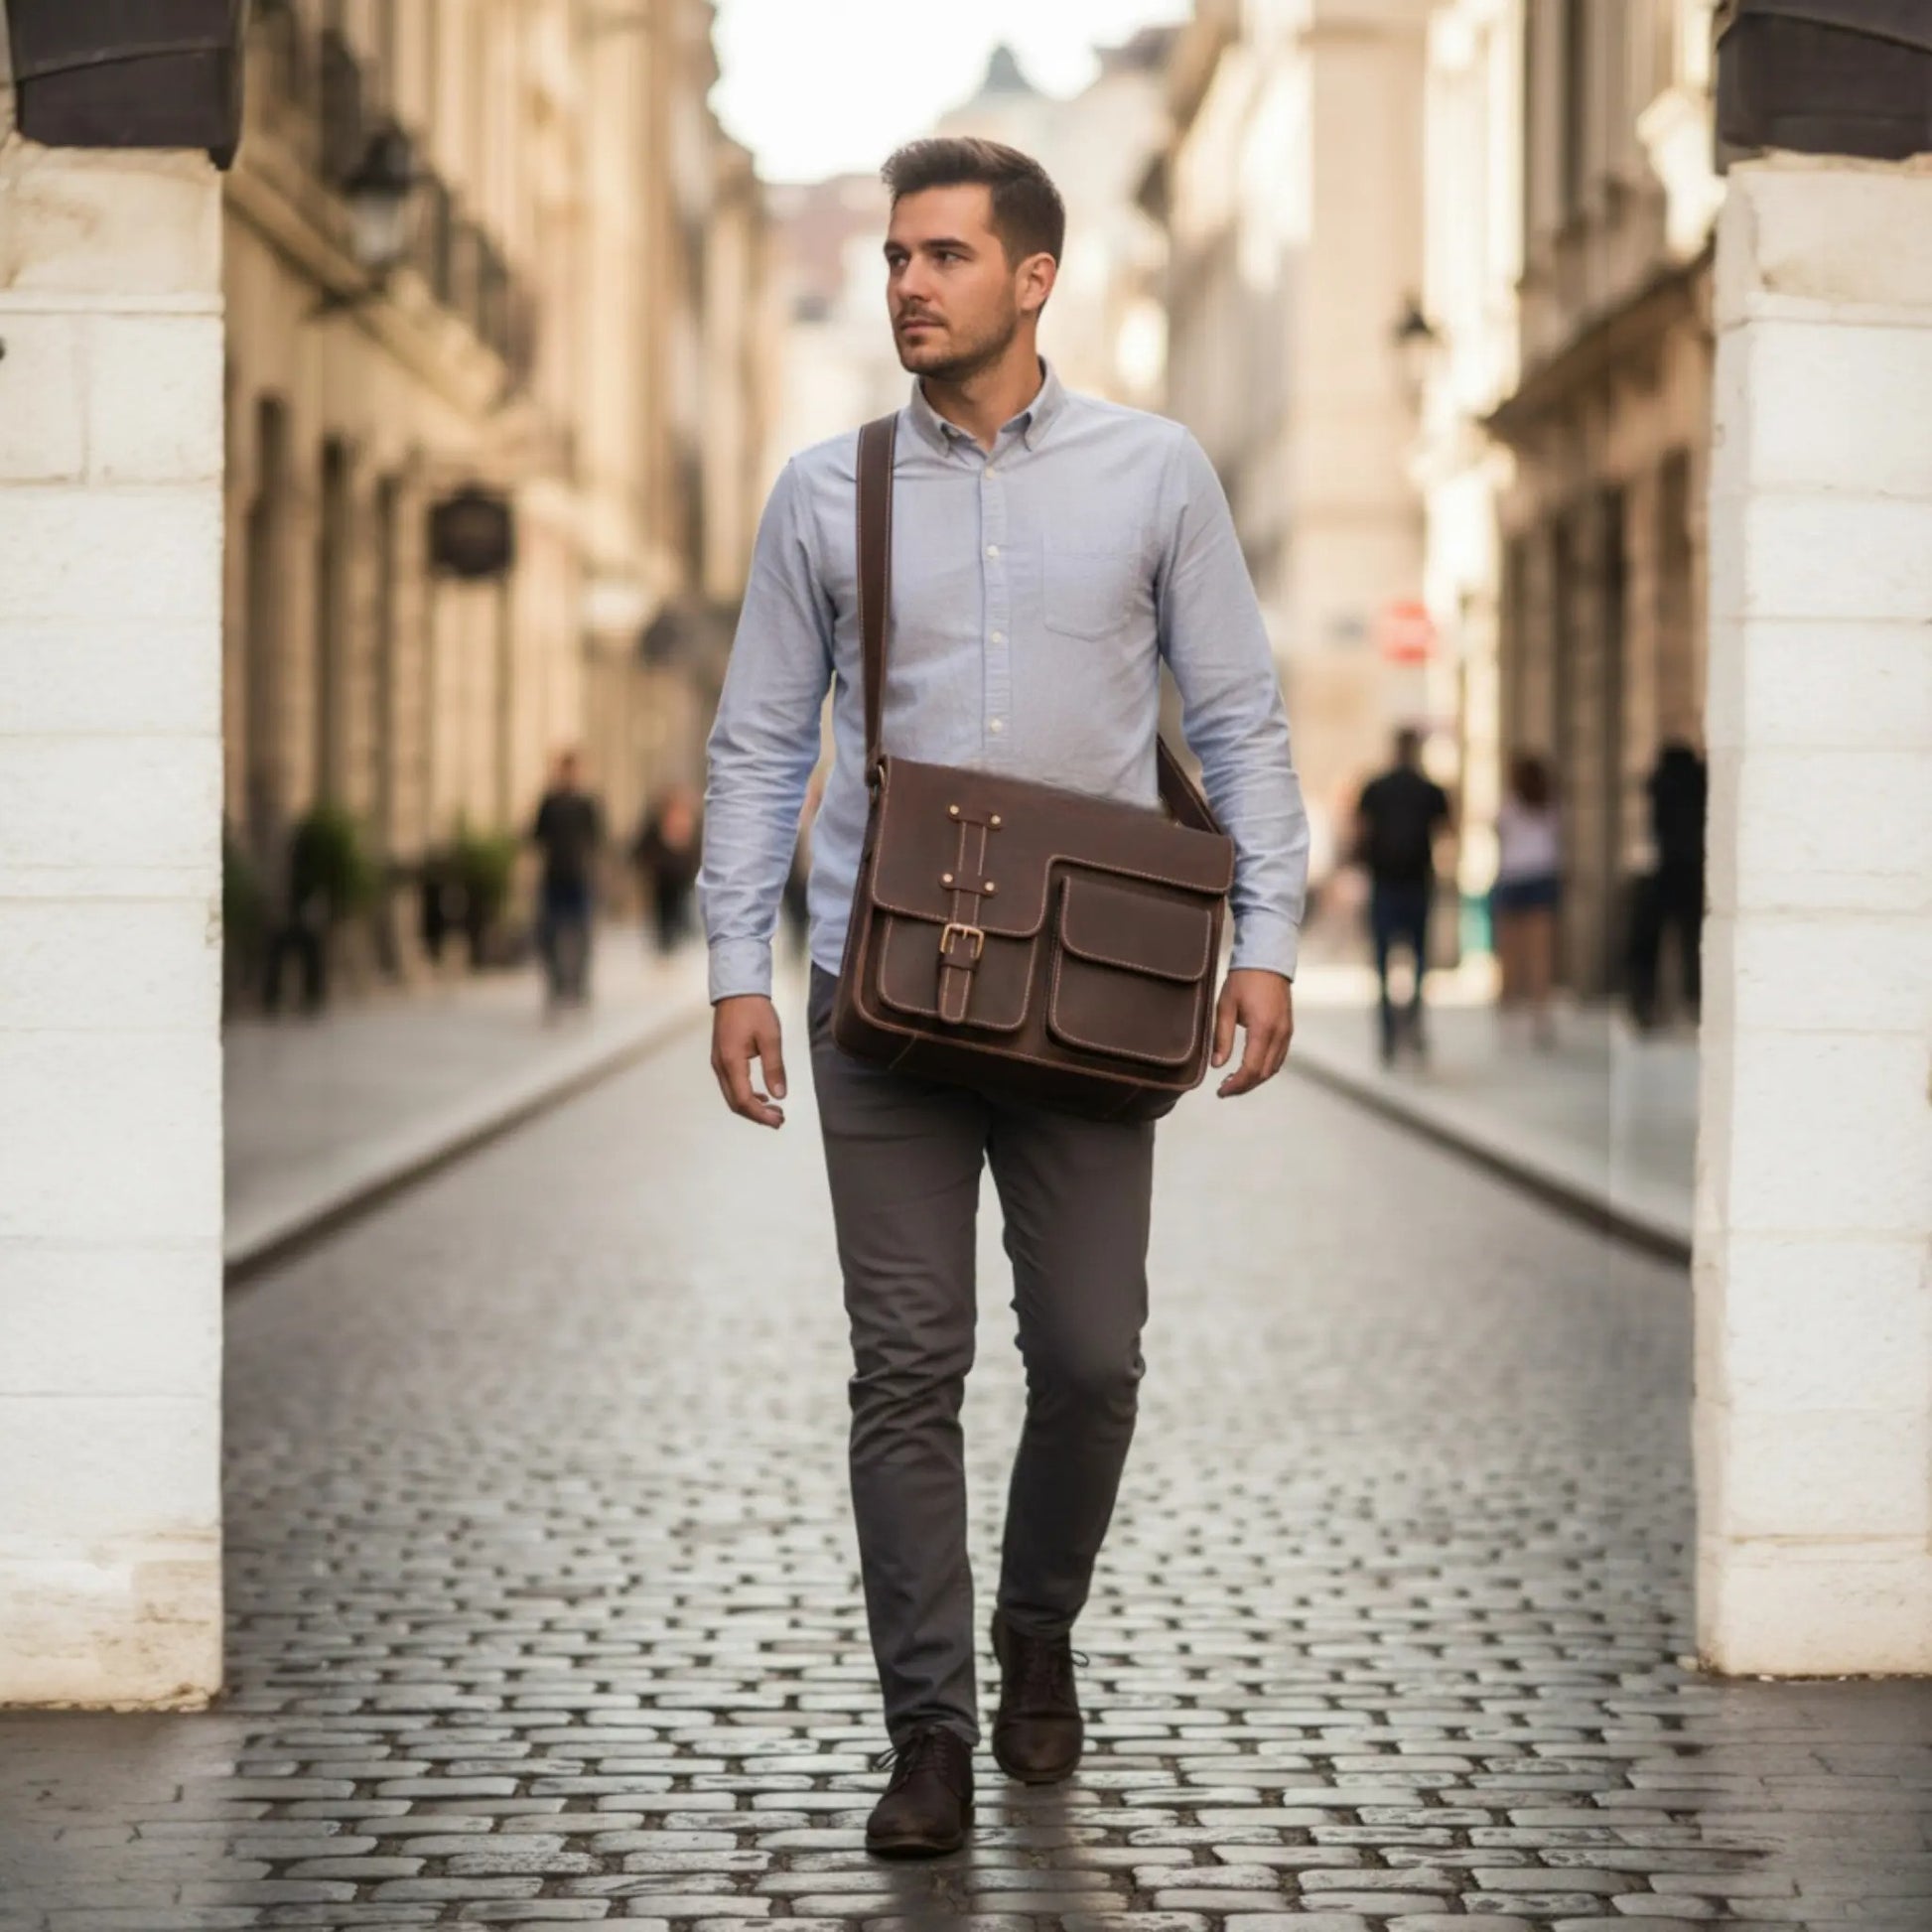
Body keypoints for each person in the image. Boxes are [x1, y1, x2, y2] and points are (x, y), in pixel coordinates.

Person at [700, 138, 1310, 1859]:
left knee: (1093, 1359)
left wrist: (1265, 936)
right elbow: (758, 743)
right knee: (906, 1369)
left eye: (944, 256)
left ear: (1035, 278)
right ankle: (930, 1733)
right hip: (874, 994)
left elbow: (1237, 716)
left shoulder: (1154, 472)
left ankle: (1037, 1621)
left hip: (1090, 999)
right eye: (896, 255)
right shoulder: (824, 493)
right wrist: (736, 967)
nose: (907, 282)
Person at [1353, 728, 1452, 1063]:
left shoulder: (1376, 788)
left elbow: (1359, 832)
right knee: (1418, 962)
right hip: (1416, 883)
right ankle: (1412, 1026)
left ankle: (1389, 1034)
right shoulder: (1430, 791)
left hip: (1387, 883)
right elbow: (1447, 833)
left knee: (1384, 962)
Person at [1629, 740, 1707, 1030]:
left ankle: (1647, 1003)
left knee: (1648, 942)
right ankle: (1693, 999)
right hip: (1692, 871)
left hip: (1665, 872)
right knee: (1693, 941)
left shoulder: (1662, 784)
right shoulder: (1697, 783)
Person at [1490, 753, 1562, 1047]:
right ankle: (1539, 1015)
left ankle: (1508, 1012)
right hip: (1541, 877)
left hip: (1514, 878)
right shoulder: (1550, 805)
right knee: (1539, 953)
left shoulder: (1510, 806)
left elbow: (1499, 833)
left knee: (1510, 953)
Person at [529, 750, 603, 1013]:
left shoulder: (587, 803)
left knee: (581, 933)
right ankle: (556, 985)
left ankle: (579, 985)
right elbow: (536, 836)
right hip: (553, 876)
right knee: (549, 933)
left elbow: (597, 840)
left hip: (579, 877)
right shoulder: (549, 802)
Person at [629, 785, 703, 956]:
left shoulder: (692, 824)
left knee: (680, 911)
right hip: (662, 880)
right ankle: (665, 944)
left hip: (683, 880)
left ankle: (676, 939)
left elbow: (697, 852)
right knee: (663, 915)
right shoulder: (654, 826)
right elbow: (640, 849)